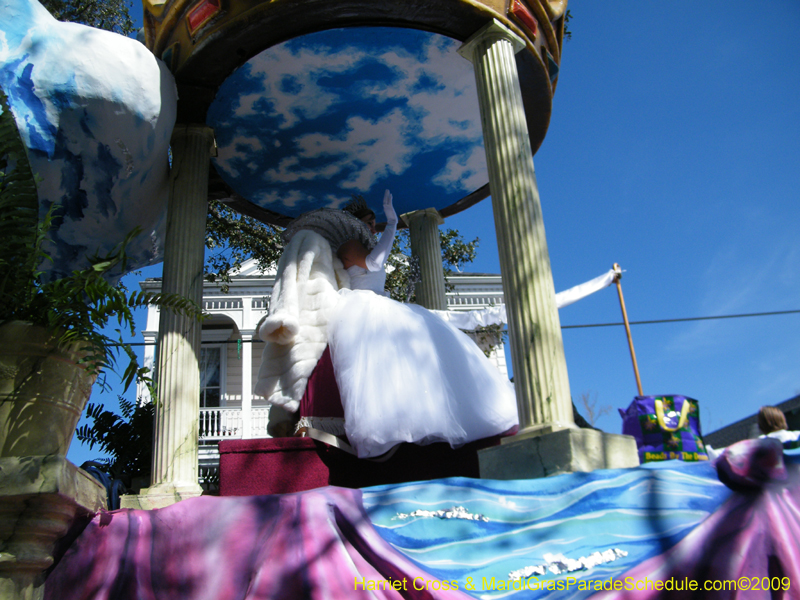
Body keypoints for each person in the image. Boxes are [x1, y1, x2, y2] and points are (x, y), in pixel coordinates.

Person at [321, 190, 519, 458]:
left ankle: (429, 421)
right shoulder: (349, 245)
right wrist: (391, 224)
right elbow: (375, 262)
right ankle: (386, 432)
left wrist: (387, 227)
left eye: (372, 221)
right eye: (366, 221)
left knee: (420, 352)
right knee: (376, 370)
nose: (370, 225)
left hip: (383, 305)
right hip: (363, 309)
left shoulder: (365, 244)